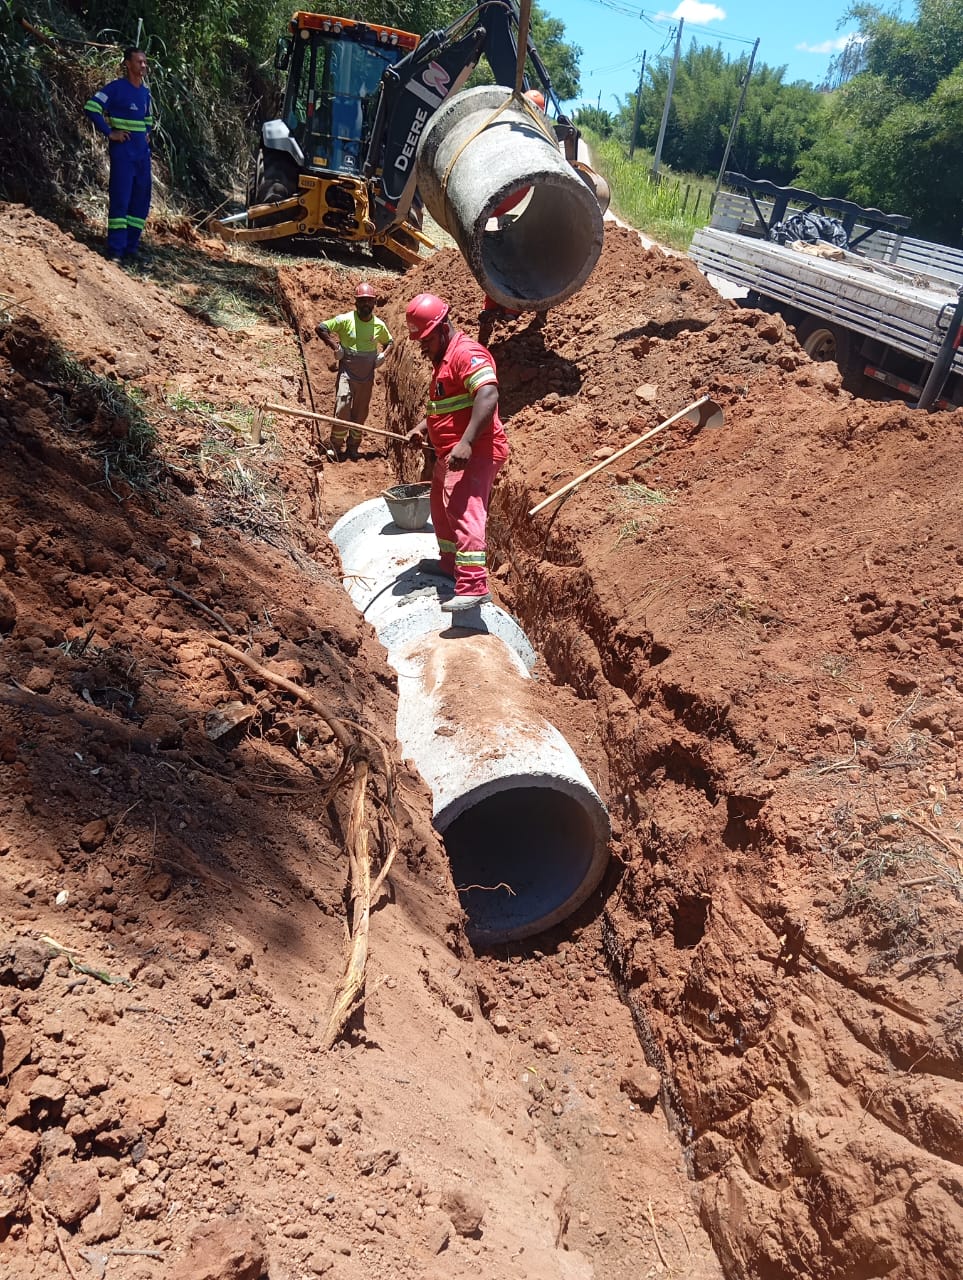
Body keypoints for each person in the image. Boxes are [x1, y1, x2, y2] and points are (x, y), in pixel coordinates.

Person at [404, 293, 509, 612]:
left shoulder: (466, 353)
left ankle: (474, 585)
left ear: (443, 328)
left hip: (475, 451)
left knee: (464, 510)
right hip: (449, 453)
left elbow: (487, 393)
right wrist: (421, 429)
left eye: (426, 340)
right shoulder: (444, 361)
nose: (422, 348)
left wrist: (467, 442)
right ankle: (450, 563)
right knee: (440, 507)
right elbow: (445, 408)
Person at [84, 48, 154, 263]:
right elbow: (91, 107)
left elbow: (148, 119)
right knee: (121, 200)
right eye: (139, 62)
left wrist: (147, 133)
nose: (143, 65)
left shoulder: (145, 93)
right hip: (123, 154)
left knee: (140, 202)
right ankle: (116, 249)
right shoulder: (116, 88)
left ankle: (131, 248)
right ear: (127, 64)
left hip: (142, 156)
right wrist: (109, 133)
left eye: (145, 62)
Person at [316, 283, 393, 460]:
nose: (366, 304)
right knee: (342, 407)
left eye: (369, 301)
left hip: (366, 377)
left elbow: (390, 342)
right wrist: (335, 347)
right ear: (356, 302)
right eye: (362, 301)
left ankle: (353, 446)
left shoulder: (379, 325)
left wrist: (383, 355)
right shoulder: (345, 320)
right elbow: (321, 328)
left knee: (360, 412)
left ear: (374, 303)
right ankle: (335, 446)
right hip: (347, 373)